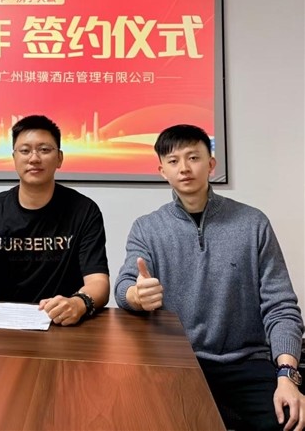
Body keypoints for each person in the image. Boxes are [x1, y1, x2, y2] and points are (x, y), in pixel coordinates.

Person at [114, 124, 304, 431]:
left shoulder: (253, 223)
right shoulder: (147, 228)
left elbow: (281, 306)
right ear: (162, 171)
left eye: (193, 157)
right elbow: (124, 286)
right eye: (173, 161)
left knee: (291, 421)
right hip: (178, 364)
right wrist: (136, 295)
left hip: (247, 363)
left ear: (211, 164)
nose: (184, 168)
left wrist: (287, 375)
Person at [0, 115, 110, 325]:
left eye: (44, 149)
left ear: (59, 158)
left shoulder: (84, 211)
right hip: (2, 324)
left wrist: (79, 303)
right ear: (14, 158)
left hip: (61, 321)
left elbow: (98, 282)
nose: (34, 158)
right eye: (25, 151)